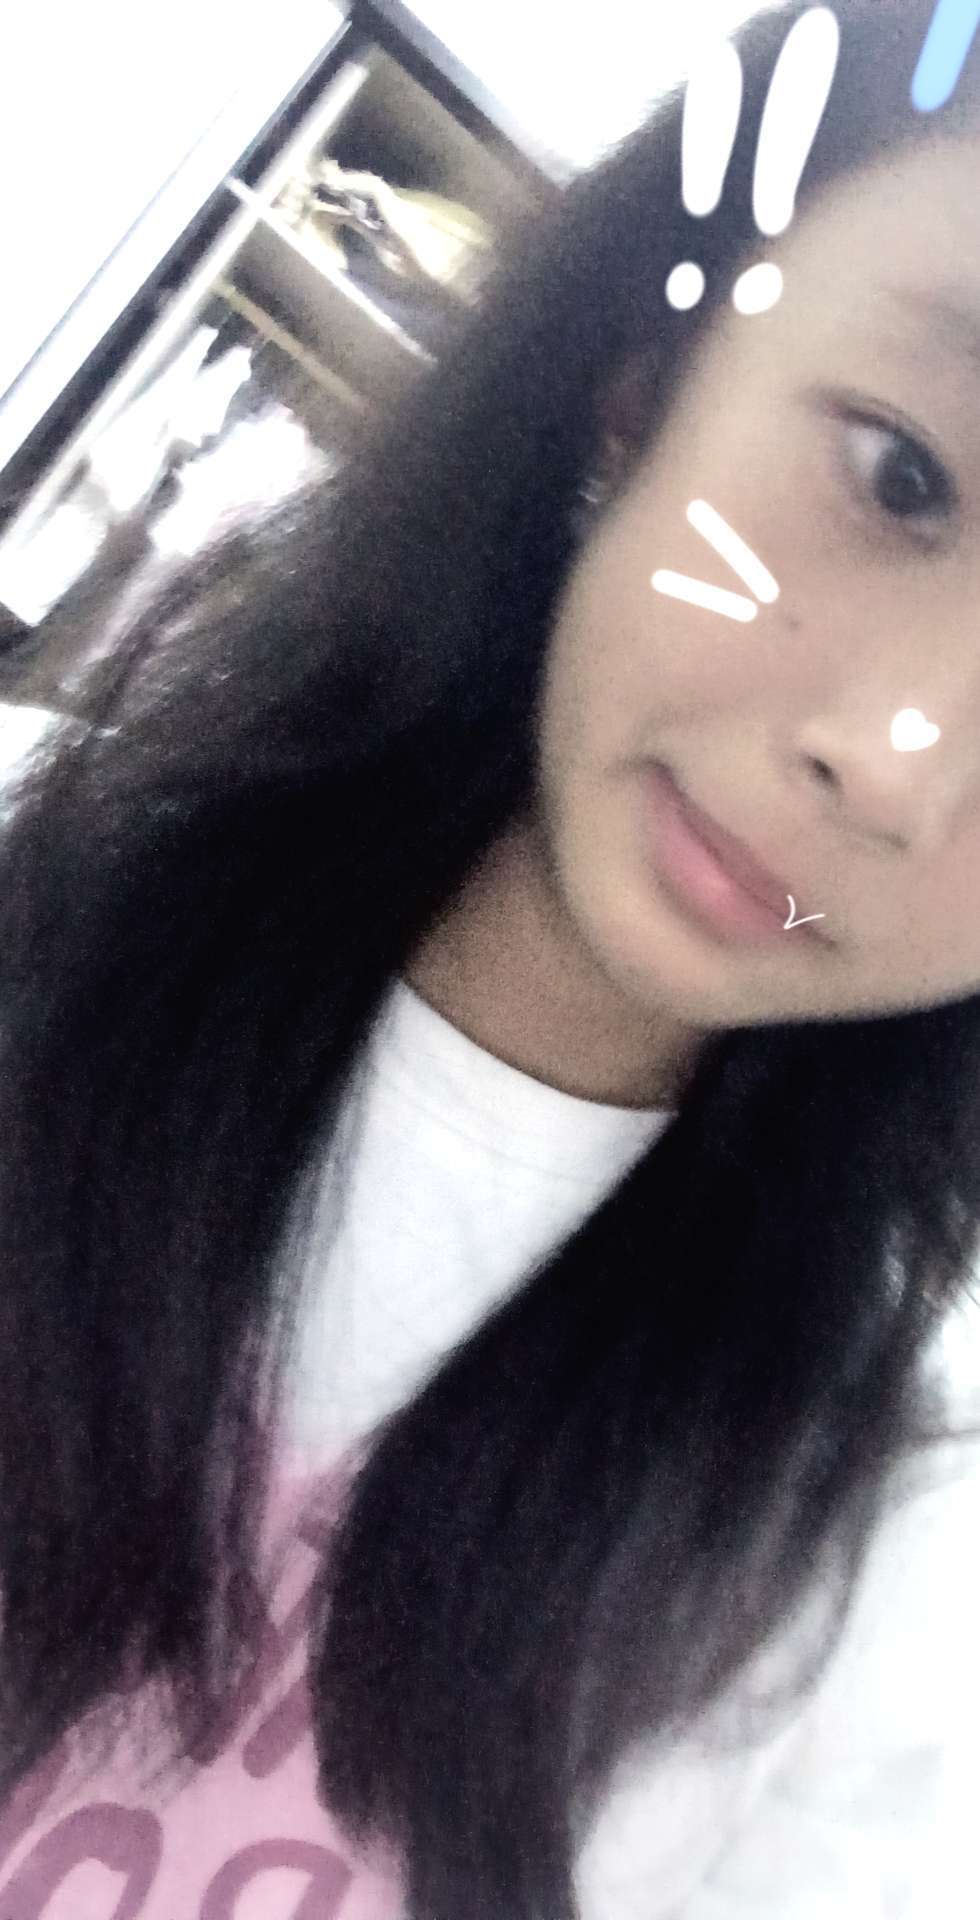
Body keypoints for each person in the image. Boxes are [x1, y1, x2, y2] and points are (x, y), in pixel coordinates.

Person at [0, 0, 978, 1913]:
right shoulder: (38, 889)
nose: (893, 763)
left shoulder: (892, 1552)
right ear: (646, 374)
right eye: (899, 477)